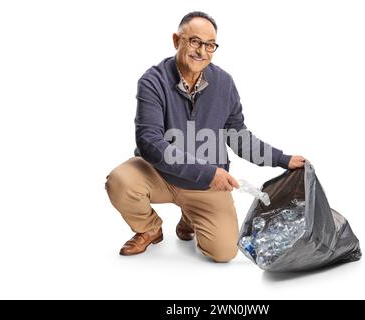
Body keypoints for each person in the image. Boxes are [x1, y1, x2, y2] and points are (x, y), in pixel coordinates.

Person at [105, 11, 306, 262]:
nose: (202, 51)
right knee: (120, 181)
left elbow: (239, 136)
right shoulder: (152, 81)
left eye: (210, 45)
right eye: (195, 41)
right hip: (160, 174)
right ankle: (150, 229)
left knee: (224, 253)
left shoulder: (224, 83)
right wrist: (209, 172)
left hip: (205, 186)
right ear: (177, 40)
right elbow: (150, 143)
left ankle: (189, 217)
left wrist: (283, 159)